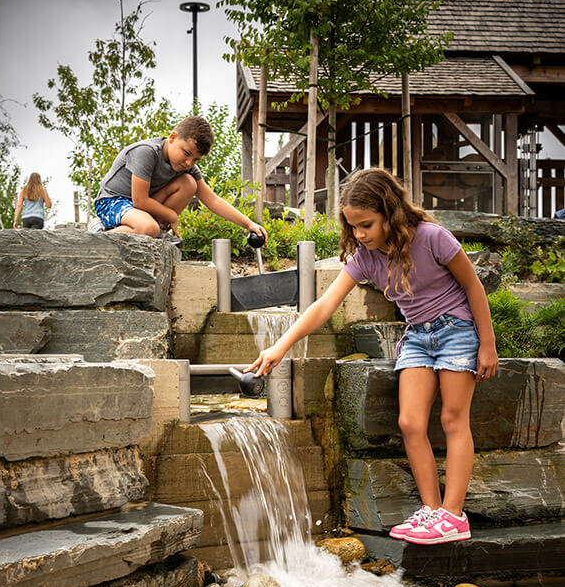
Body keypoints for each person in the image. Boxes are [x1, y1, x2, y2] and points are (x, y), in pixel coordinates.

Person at [247, 168, 498, 546]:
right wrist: (280, 346)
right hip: (416, 337)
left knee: (451, 418)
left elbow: (473, 285)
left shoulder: (432, 238)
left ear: (389, 212)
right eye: (353, 227)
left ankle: (452, 515)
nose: (360, 234)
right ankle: (431, 511)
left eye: (367, 224)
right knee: (410, 423)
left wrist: (488, 344)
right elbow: (324, 305)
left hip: (457, 332)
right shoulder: (365, 258)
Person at [92, 115, 266, 243]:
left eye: (196, 159)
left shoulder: (187, 167)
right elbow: (140, 200)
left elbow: (212, 200)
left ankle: (153, 231)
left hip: (139, 209)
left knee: (188, 183)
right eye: (186, 153)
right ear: (173, 137)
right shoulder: (146, 152)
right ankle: (100, 234)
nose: (189, 162)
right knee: (148, 228)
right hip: (112, 201)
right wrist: (171, 215)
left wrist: (249, 224)